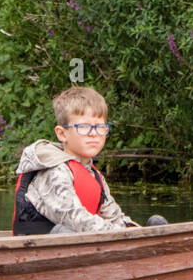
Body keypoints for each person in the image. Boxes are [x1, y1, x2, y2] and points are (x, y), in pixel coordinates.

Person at [12, 85, 167, 234]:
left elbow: (114, 217)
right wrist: (121, 234)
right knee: (65, 233)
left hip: (82, 238)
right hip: (43, 246)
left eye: (100, 127)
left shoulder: (95, 176)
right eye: (84, 127)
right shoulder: (54, 171)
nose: (94, 134)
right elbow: (72, 218)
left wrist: (134, 230)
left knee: (154, 223)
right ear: (62, 134)